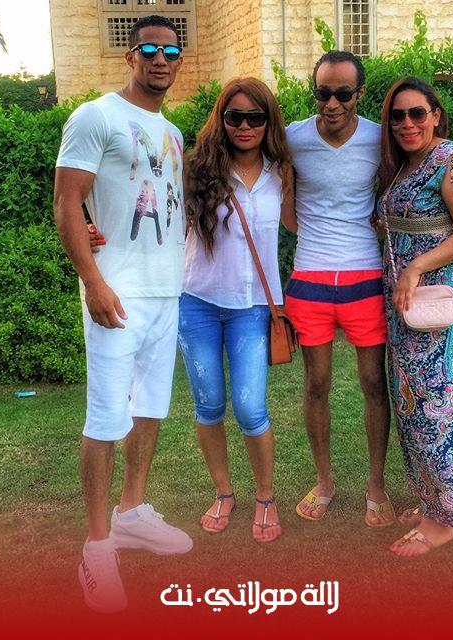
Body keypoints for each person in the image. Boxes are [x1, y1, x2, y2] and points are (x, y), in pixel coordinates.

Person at [54, 15, 192, 614]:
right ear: (129, 56)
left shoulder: (174, 132)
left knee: (150, 407)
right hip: (117, 293)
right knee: (107, 417)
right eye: (150, 49)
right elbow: (67, 201)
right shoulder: (96, 116)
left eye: (172, 51)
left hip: (166, 294)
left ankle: (132, 513)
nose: (161, 59)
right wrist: (93, 281)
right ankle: (97, 548)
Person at [179, 77, 295, 542]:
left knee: (250, 407)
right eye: (235, 116)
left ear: (269, 121)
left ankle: (265, 497)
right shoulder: (196, 170)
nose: (245, 126)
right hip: (197, 302)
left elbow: (310, 220)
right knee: (208, 405)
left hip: (253, 308)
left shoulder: (282, 174)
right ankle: (224, 492)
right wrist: (97, 233)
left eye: (255, 117)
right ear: (221, 119)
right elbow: (159, 223)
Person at [375, 76, 453, 556]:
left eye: (417, 113)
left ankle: (445, 519)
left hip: (440, 304)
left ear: (435, 115)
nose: (407, 123)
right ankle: (432, 501)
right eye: (397, 116)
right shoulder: (405, 164)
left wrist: (416, 266)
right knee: (413, 406)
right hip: (405, 303)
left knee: (443, 405)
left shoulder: (451, 159)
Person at [284, 51, 394, 526]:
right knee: (317, 384)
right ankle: (325, 481)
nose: (331, 103)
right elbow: (269, 189)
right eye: (322, 93)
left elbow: (403, 183)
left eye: (343, 93)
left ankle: (376, 484)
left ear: (360, 94)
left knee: (374, 383)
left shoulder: (379, 137)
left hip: (365, 278)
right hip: (309, 278)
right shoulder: (292, 137)